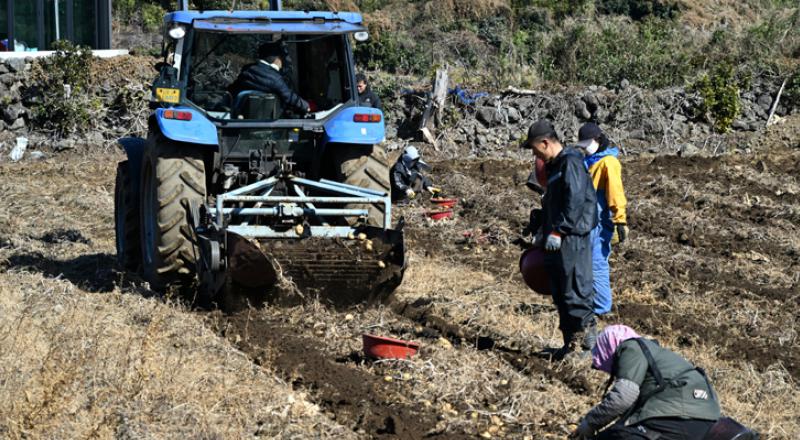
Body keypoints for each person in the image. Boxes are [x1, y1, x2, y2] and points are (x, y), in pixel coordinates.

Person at [523, 120, 598, 359]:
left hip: (571, 237)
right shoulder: (555, 167)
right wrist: (542, 228)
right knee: (561, 291)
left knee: (575, 289)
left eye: (535, 149)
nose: (534, 154)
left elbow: (574, 201)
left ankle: (587, 348)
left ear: (545, 143)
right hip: (557, 239)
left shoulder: (570, 162)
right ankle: (570, 345)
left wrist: (558, 231)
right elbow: (554, 204)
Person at [571, 325, 722, 440]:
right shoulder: (656, 355)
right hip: (706, 420)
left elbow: (623, 396)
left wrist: (589, 423)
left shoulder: (631, 347)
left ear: (608, 348)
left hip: (676, 416)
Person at [577, 123, 628, 316]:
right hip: (585, 221)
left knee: (597, 263)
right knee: (583, 263)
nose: (584, 148)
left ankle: (602, 309)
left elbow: (616, 193)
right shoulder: (588, 161)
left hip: (599, 223)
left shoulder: (608, 163)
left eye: (587, 144)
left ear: (597, 140)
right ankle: (586, 302)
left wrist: (620, 220)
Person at [229, 42, 310, 115]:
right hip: (269, 122)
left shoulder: (246, 71)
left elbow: (232, 90)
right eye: (282, 59)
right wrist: (307, 107)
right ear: (277, 59)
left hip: (242, 120)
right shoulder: (275, 79)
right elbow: (290, 97)